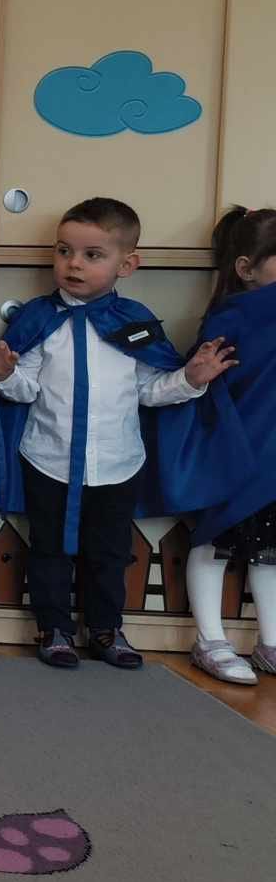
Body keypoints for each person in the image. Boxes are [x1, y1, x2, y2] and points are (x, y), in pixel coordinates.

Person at [0, 198, 238, 669]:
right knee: (49, 548)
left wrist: (190, 379)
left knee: (111, 552)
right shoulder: (38, 319)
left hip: (117, 464)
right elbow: (25, 389)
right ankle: (54, 628)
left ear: (127, 264)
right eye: (64, 251)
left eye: (92, 254)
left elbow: (150, 391)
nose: (74, 264)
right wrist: (3, 372)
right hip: (49, 459)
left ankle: (105, 628)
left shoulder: (133, 322)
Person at [188, 206, 276, 683]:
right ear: (246, 268)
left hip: (269, 453)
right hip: (234, 449)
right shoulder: (233, 315)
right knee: (213, 541)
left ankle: (271, 641)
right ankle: (210, 639)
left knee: (270, 553)